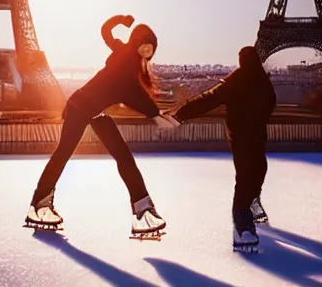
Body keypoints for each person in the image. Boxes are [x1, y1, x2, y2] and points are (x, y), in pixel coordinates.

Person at [24, 15, 179, 235]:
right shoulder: (124, 57)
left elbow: (131, 91)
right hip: (80, 107)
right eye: (144, 46)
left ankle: (143, 210)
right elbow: (129, 93)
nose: (147, 52)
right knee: (64, 153)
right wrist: (155, 114)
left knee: (123, 156)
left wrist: (156, 113)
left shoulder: (129, 61)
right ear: (136, 43)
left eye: (151, 49)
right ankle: (39, 204)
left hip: (95, 111)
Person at [167, 46, 276, 251]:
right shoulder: (238, 81)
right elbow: (209, 99)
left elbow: (208, 98)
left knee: (259, 169)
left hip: (257, 134)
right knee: (245, 175)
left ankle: (252, 201)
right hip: (241, 135)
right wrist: (180, 114)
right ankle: (241, 222)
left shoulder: (260, 80)